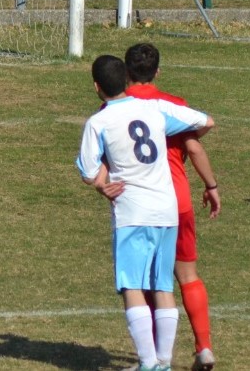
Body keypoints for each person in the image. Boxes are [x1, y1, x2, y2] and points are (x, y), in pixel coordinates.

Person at [77, 55, 213, 371]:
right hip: (167, 210)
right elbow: (205, 121)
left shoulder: (99, 121)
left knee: (132, 286)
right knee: (163, 284)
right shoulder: (156, 109)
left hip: (132, 212)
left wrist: (101, 185)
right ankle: (163, 363)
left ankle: (149, 363)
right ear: (126, 80)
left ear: (96, 87)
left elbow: (88, 170)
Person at [124, 43, 221, 371]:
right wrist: (211, 185)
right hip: (179, 200)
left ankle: (151, 360)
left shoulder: (120, 108)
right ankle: (204, 347)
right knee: (187, 275)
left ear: (126, 74)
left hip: (146, 203)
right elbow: (194, 147)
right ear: (158, 72)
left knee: (148, 281)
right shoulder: (173, 106)